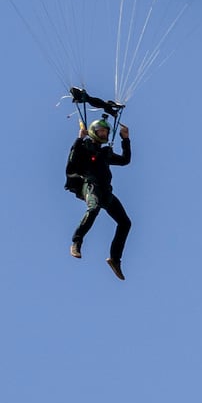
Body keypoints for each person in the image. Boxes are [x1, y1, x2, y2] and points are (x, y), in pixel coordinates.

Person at [66, 109, 132, 278]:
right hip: (90, 186)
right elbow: (72, 161)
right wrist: (79, 139)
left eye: (106, 132)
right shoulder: (85, 147)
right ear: (93, 132)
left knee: (125, 223)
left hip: (105, 191)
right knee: (93, 209)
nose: (104, 134)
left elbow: (125, 160)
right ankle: (76, 242)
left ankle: (115, 259)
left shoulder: (105, 153)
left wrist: (125, 139)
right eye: (101, 131)